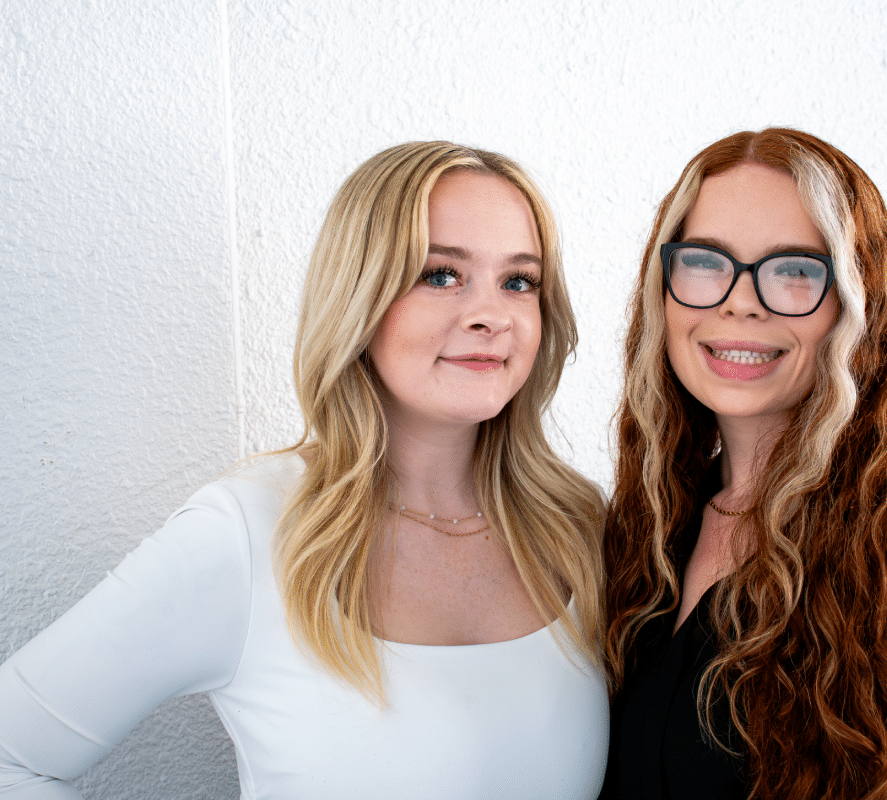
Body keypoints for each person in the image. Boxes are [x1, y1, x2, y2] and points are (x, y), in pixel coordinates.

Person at [0, 142, 609, 799]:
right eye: (440, 275)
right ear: (359, 296)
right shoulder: (245, 532)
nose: (491, 315)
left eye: (519, 281)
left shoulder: (581, 528)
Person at [602, 129, 887, 800]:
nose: (740, 301)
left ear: (858, 303)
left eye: (795, 270)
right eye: (705, 262)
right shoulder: (644, 530)